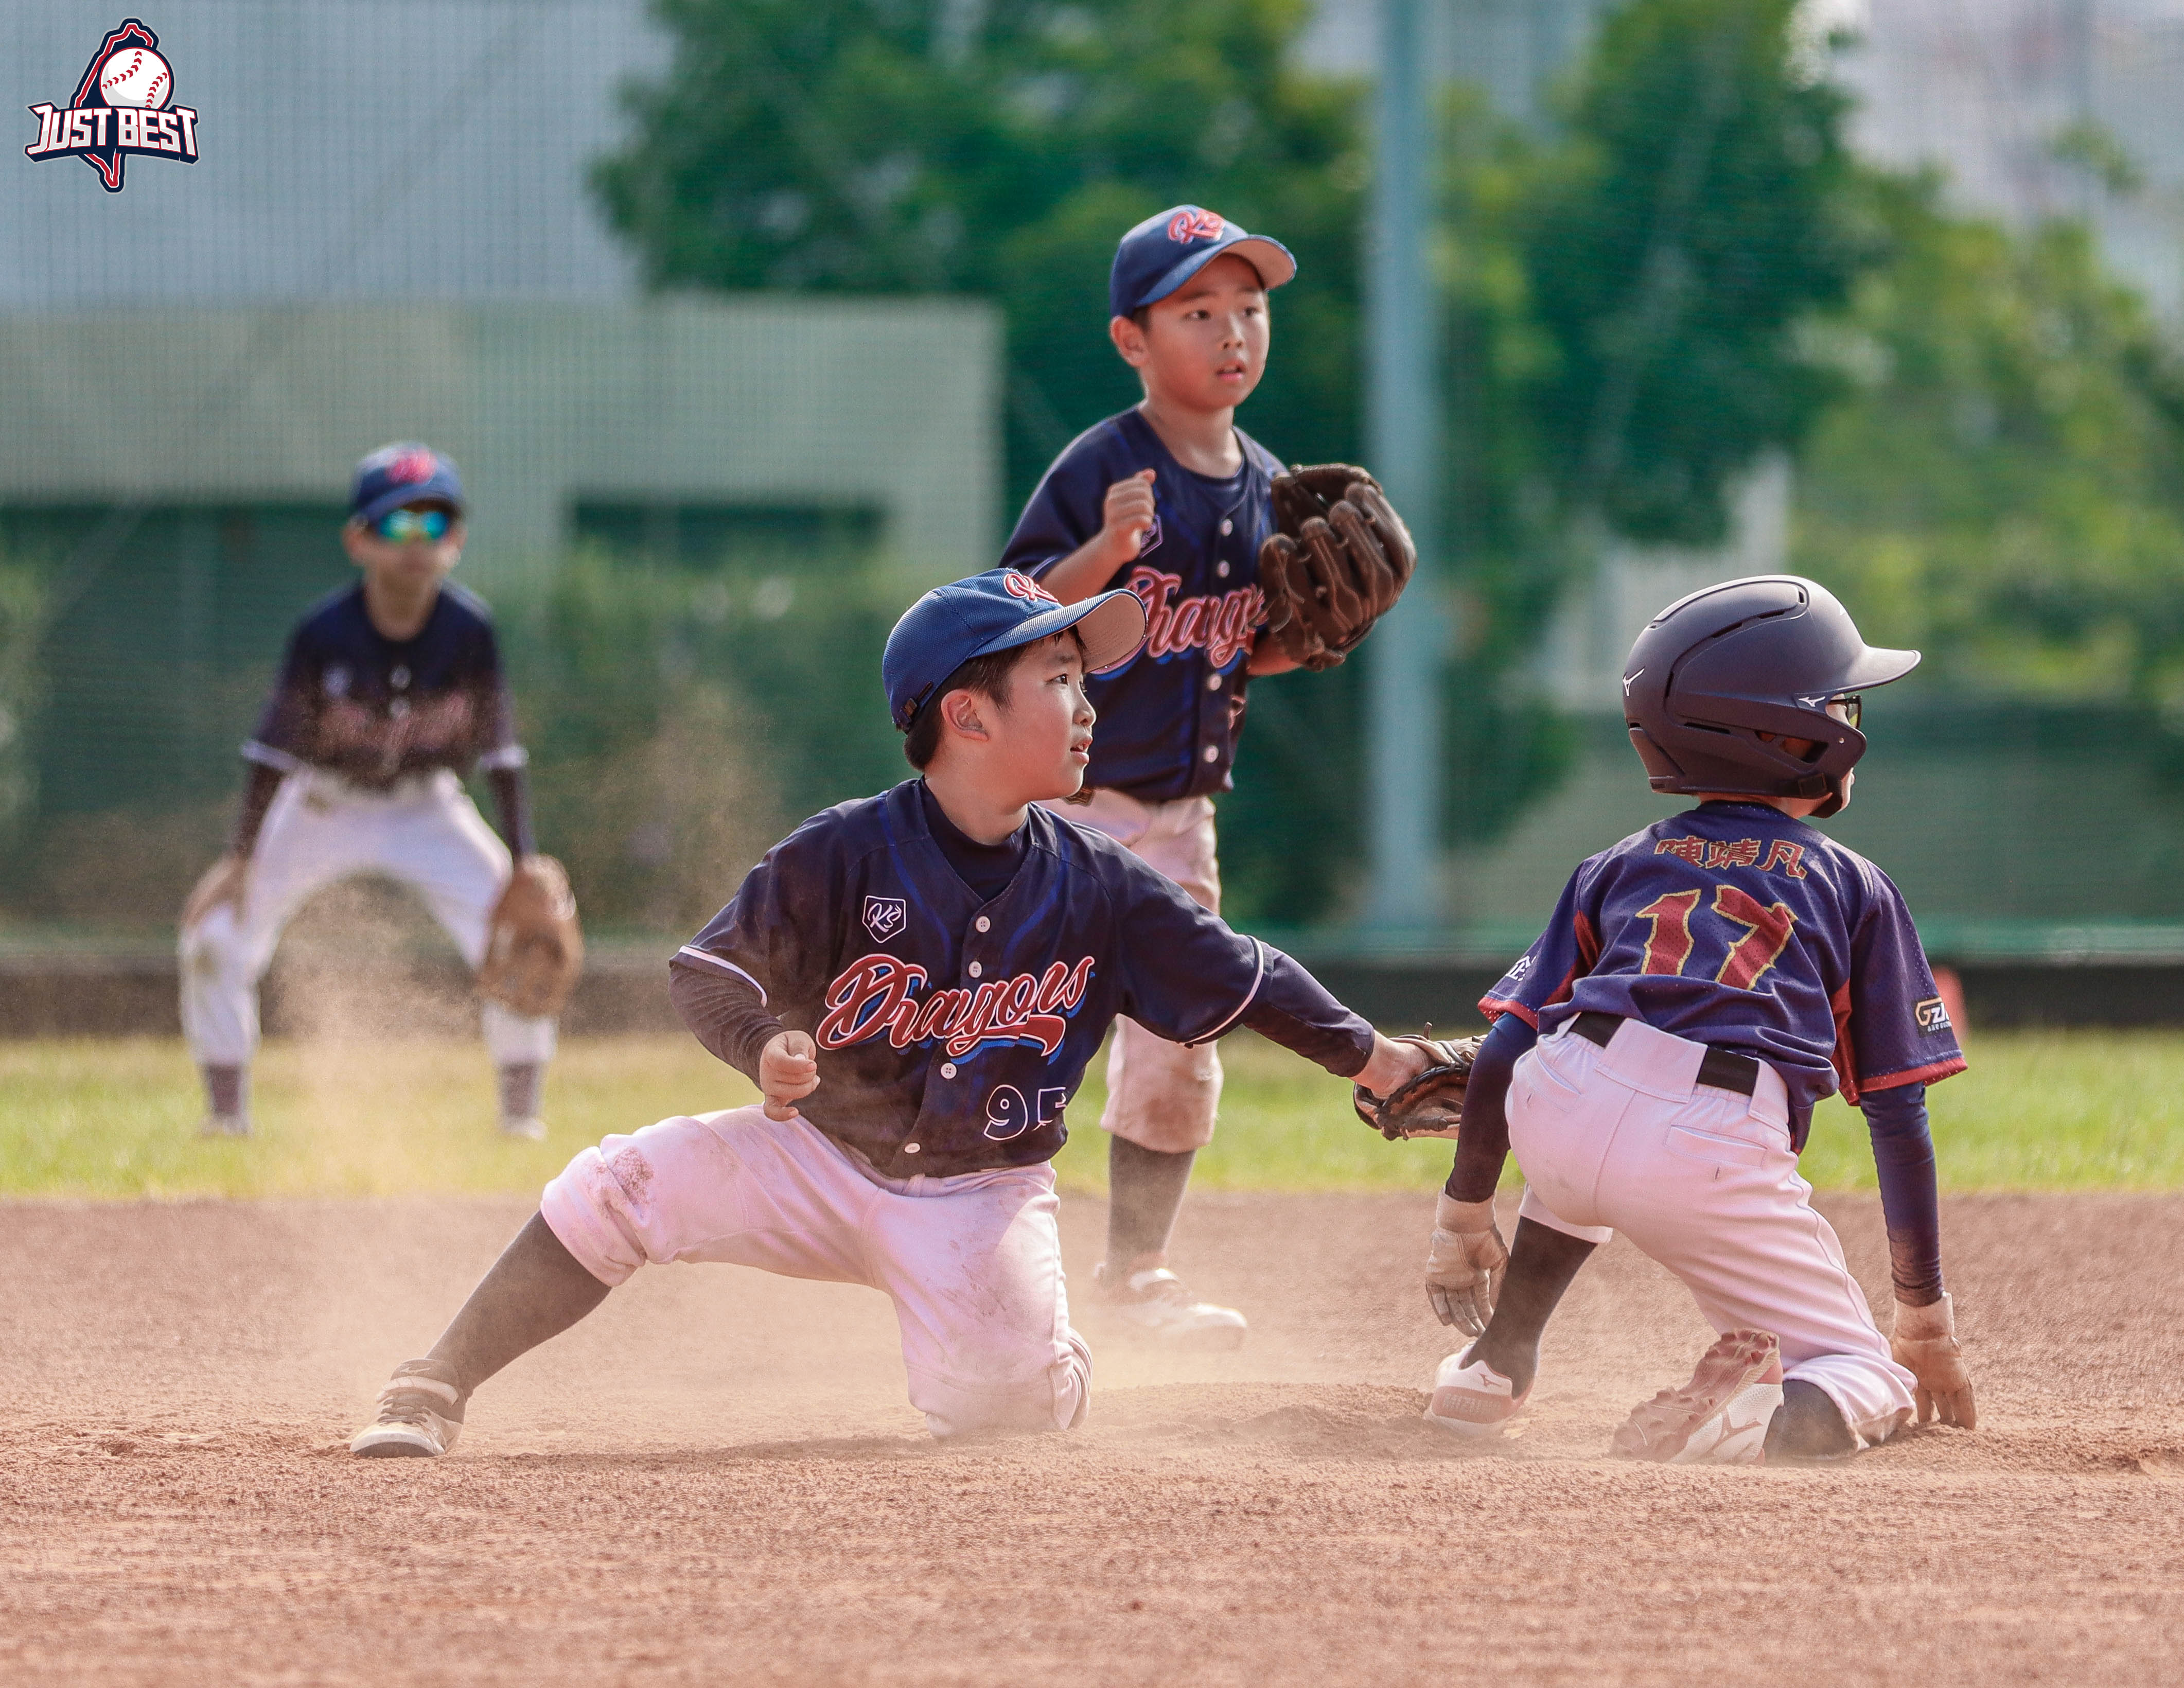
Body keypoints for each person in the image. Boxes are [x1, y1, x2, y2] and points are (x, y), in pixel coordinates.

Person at [346, 569, 1449, 1456]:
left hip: (978, 1195)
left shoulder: (1101, 883)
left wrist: (1378, 1059)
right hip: (814, 1156)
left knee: (1008, 1410)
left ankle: (1050, 1351)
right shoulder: (844, 851)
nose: (1088, 707)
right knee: (619, 1183)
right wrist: (763, 1045)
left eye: (1083, 680)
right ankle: (432, 1382)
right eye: (1060, 679)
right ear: (967, 714)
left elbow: (1247, 974)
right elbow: (709, 972)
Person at [1416, 575, 1981, 1464]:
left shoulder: (1615, 864)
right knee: (1862, 1370)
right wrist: (1925, 1324)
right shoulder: (1853, 885)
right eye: (1839, 703)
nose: (1852, 721)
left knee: (1583, 1141)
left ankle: (1492, 1365)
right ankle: (1763, 1422)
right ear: (1791, 734)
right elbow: (1897, 1113)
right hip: (1708, 1143)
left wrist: (1462, 1216)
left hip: (1559, 1099)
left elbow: (1508, 1047)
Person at [996, 204, 1311, 1348]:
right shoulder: (1103, 466)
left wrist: (1322, 632)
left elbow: (1247, 648)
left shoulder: (1272, 485)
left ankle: (1134, 1275)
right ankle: (958, 1246)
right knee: (1012, 1023)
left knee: (1183, 1039)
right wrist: (1104, 553)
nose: (1232, 333)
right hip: (1065, 811)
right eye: (1197, 311)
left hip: (1183, 817)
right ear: (1133, 339)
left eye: (1250, 308)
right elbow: (1009, 612)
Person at [179, 443, 558, 1140]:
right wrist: (239, 858)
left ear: (456, 539)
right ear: (358, 539)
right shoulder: (324, 632)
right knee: (213, 937)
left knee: (525, 939)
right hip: (323, 805)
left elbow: (501, 754)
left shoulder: (470, 629)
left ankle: (520, 1119)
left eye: (434, 523)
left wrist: (524, 859)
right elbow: (271, 753)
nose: (417, 541)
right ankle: (226, 1116)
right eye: (396, 524)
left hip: (428, 807)